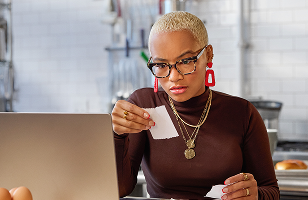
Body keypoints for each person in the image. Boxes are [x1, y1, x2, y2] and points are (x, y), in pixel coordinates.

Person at [112, 11, 279, 200]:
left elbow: (271, 190)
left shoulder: (242, 113)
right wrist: (117, 135)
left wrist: (256, 195)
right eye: (161, 65)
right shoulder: (144, 107)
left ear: (208, 54)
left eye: (185, 61)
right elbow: (119, 189)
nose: (174, 77)